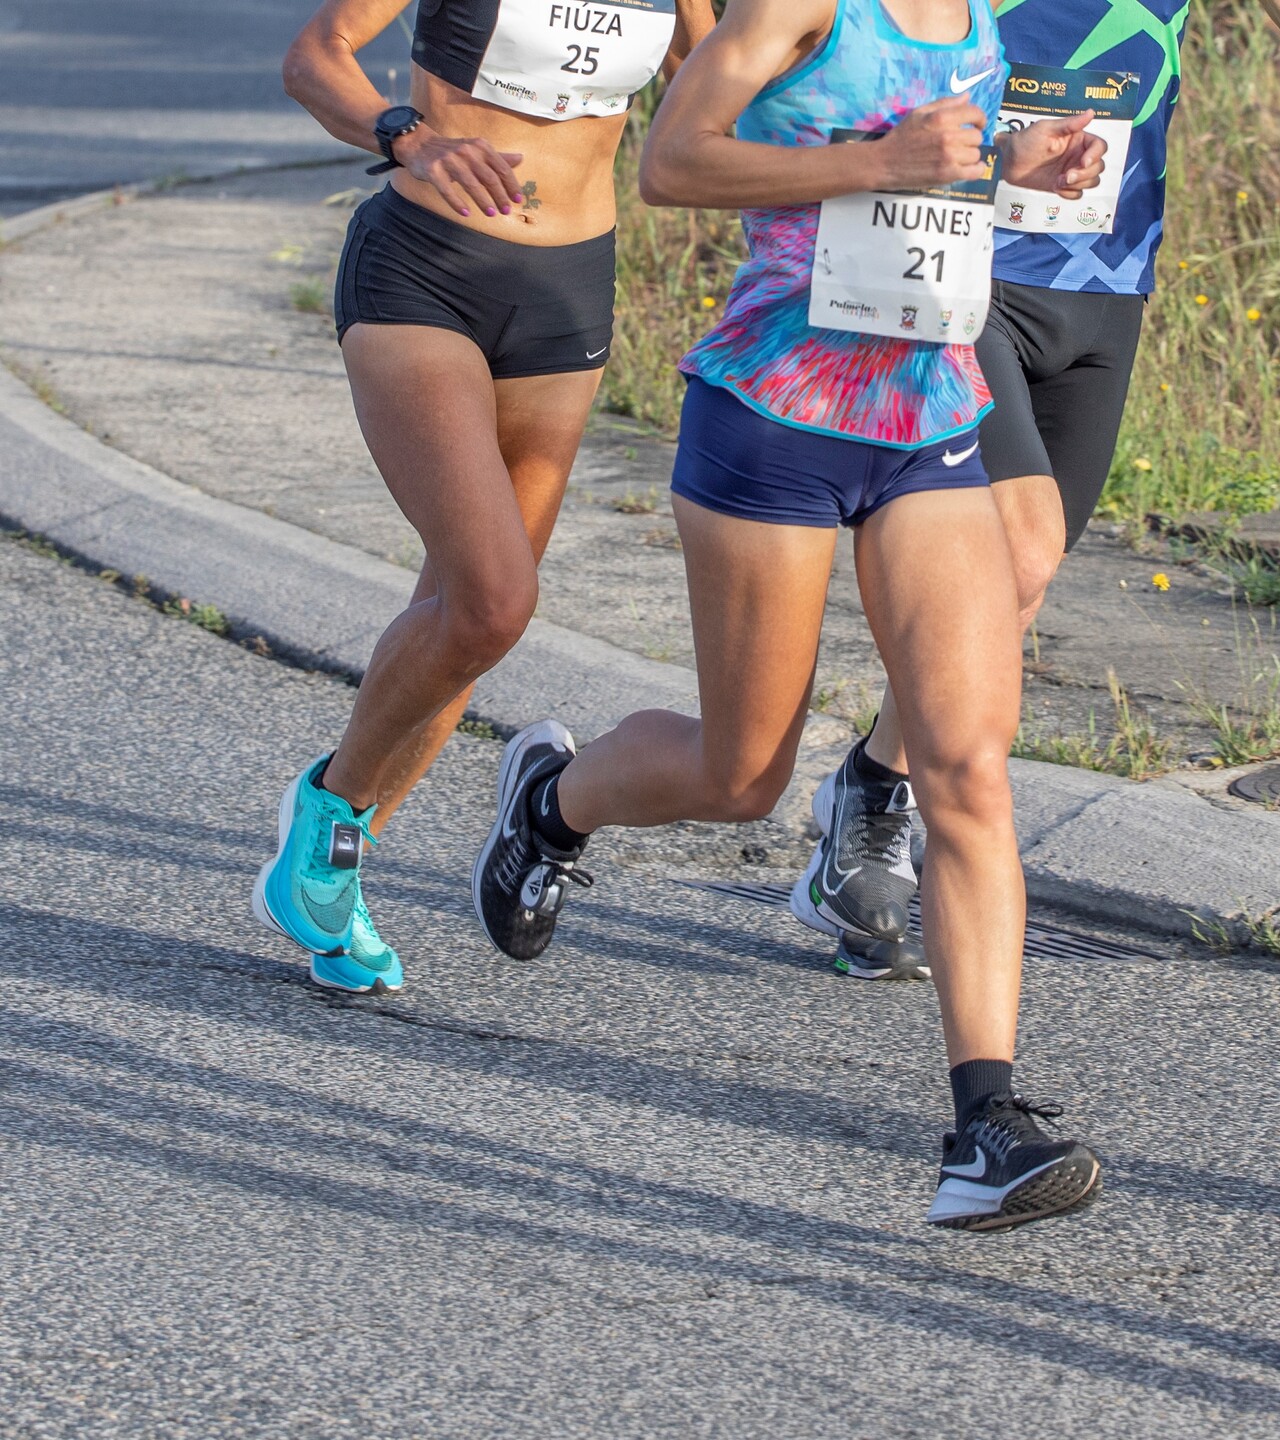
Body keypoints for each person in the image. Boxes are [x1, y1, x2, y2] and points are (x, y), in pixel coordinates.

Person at [467, 0, 1112, 1231]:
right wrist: (881, 160)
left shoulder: (976, 17)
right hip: (774, 417)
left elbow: (931, 180)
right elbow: (673, 163)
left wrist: (1009, 164)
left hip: (928, 418)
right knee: (741, 773)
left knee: (967, 767)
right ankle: (552, 802)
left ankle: (986, 1126)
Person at [790, 0, 1280, 980]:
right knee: (1017, 550)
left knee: (1014, 589)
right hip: (957, 264)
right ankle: (896, 826)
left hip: (1105, 283)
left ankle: (870, 793)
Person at [261, 0, 712, 994]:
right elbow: (313, 57)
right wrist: (407, 136)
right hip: (426, 268)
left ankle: (335, 865)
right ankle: (327, 818)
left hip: (567, 293)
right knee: (494, 599)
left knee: (468, 619)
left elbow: (708, 91)